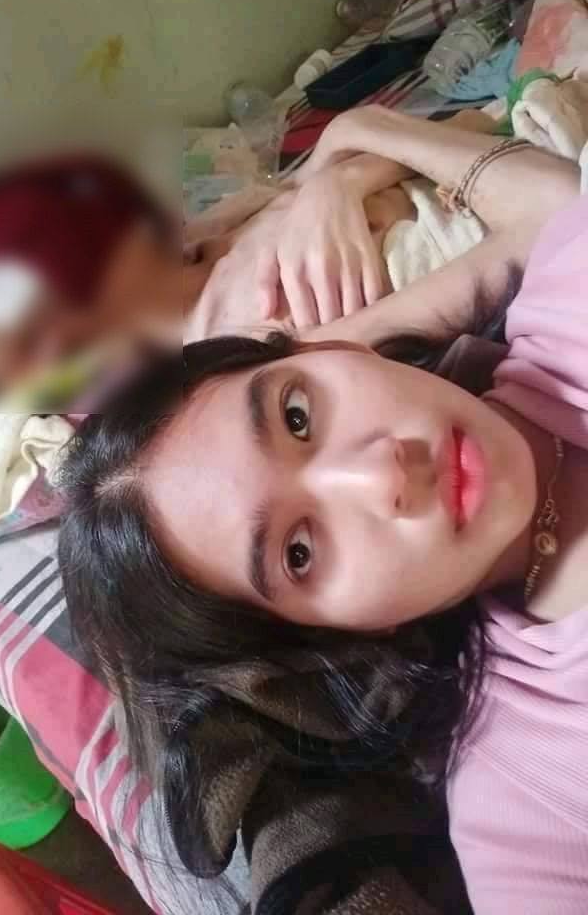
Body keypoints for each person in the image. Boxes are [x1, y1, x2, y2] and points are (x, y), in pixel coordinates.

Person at [57, 166, 588, 914]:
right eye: (299, 553)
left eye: (297, 415)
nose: (382, 473)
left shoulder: (571, 275)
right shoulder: (528, 808)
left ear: (333, 350)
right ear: (345, 632)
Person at [0, 108, 576, 450]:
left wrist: (337, 181)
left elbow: (470, 120)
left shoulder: (212, 238)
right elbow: (557, 218)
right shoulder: (254, 345)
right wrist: (352, 149)